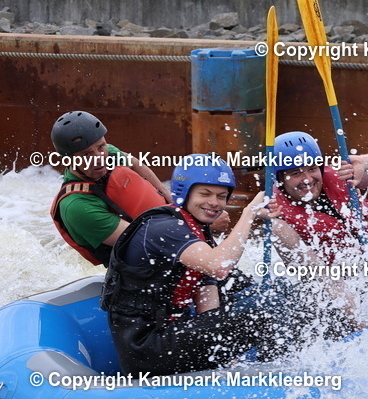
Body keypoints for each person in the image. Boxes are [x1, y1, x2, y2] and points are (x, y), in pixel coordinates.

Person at [101, 155, 306, 376]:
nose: (215, 203)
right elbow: (219, 266)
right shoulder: (164, 227)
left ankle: (289, 366)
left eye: (221, 196)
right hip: (147, 351)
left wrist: (226, 354)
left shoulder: (197, 230)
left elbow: (208, 304)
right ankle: (279, 379)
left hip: (172, 334)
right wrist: (249, 213)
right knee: (269, 307)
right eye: (205, 194)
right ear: (184, 193)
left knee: (280, 290)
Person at [270, 131, 368, 261]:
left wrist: (365, 161)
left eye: (312, 169)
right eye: (296, 173)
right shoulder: (276, 214)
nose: (308, 180)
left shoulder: (342, 176)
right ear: (280, 180)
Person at [49, 111, 172, 266]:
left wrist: (165, 193)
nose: (99, 157)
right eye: (87, 154)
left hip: (159, 232)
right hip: (138, 271)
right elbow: (144, 240)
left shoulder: (107, 153)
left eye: (101, 146)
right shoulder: (77, 206)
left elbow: (134, 162)